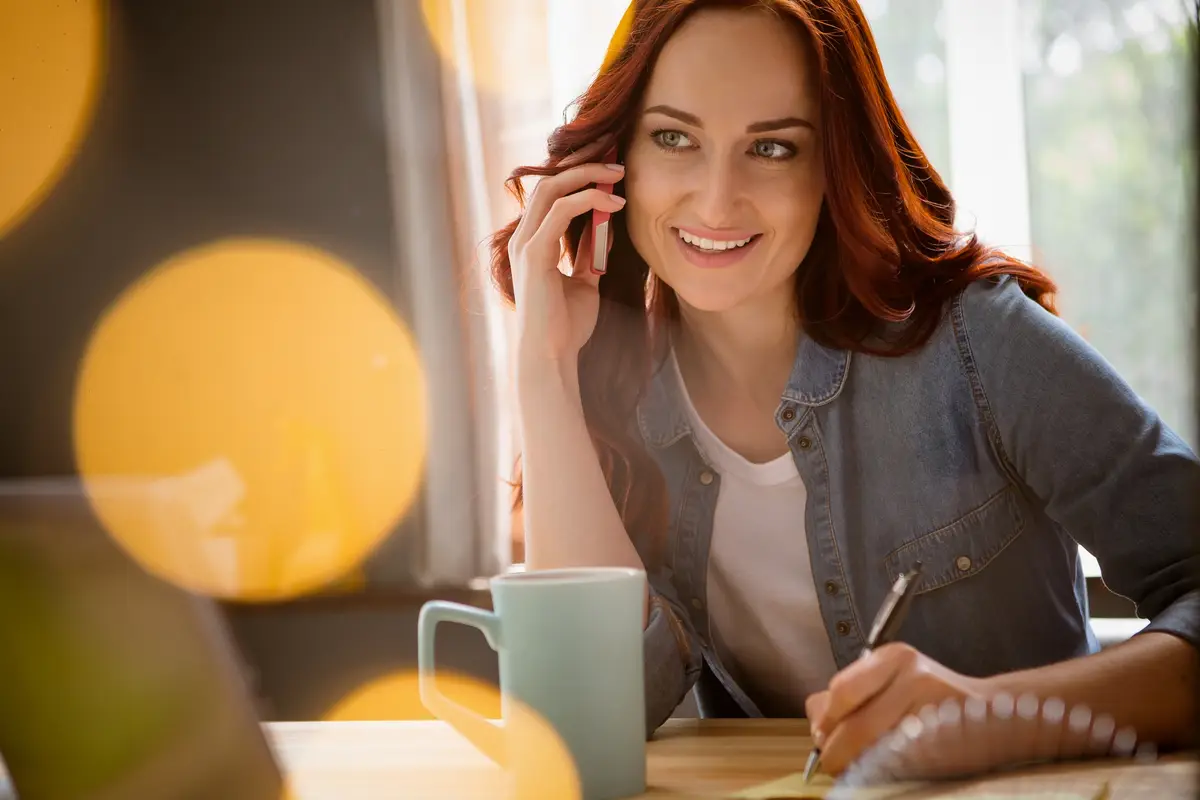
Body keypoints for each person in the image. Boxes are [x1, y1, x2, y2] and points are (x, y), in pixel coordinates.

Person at [489, 0, 1200, 776]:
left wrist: (988, 718)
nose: (718, 200)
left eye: (772, 147)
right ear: (615, 157)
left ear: (834, 162)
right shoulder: (618, 392)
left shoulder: (978, 342)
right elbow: (599, 707)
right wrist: (543, 369)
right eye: (674, 137)